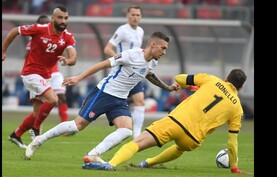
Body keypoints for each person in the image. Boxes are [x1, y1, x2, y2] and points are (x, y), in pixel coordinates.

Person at [25, 32, 180, 161]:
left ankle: (93, 154)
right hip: (105, 93)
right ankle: (40, 140)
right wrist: (78, 77)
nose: (164, 52)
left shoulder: (153, 62)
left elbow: (149, 75)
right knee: (77, 126)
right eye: (163, 48)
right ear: (153, 45)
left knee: (126, 130)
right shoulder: (130, 55)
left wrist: (167, 88)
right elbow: (103, 64)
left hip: (120, 99)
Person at [82, 69, 248, 174]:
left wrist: (190, 86)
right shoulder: (237, 109)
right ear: (240, 88)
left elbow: (180, 78)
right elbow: (232, 142)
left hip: (175, 122)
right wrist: (234, 167)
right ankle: (148, 163)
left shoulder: (211, 80)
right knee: (179, 148)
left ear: (226, 78)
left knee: (138, 142)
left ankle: (111, 164)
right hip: (193, 138)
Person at [2, 5, 77, 149]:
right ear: (53, 18)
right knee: (54, 99)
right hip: (31, 73)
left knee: (37, 112)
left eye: (66, 18)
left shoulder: (67, 36)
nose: (63, 21)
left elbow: (73, 56)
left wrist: (69, 60)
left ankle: (16, 135)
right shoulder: (40, 29)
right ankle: (36, 129)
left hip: (46, 76)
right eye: (60, 17)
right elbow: (14, 31)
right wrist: (3, 51)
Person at [103, 5, 145, 140]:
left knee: (141, 101)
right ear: (127, 16)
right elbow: (108, 49)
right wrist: (120, 59)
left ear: (141, 16)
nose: (135, 17)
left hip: (135, 72)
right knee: (120, 99)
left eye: (138, 15)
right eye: (133, 14)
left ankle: (137, 135)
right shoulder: (122, 30)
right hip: (121, 72)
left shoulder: (140, 31)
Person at [25, 14, 71, 139]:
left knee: (61, 97)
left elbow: (68, 47)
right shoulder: (34, 39)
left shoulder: (60, 35)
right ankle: (26, 131)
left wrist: (67, 58)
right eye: (44, 23)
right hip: (37, 74)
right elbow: (27, 56)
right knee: (38, 109)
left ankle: (64, 127)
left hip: (54, 73)